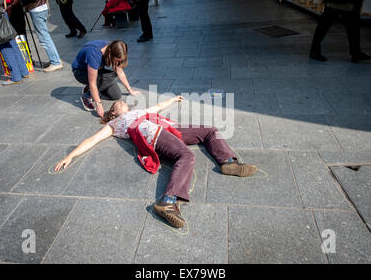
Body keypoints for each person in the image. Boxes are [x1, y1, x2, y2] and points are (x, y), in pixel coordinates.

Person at [54, 97, 258, 228]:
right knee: (186, 156)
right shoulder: (114, 124)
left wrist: (173, 99)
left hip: (169, 128)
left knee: (210, 130)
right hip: (152, 133)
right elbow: (93, 139)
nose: (121, 102)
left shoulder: (139, 111)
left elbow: (159, 106)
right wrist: (71, 155)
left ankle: (228, 162)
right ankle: (167, 202)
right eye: (116, 104)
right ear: (114, 112)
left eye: (122, 101)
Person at [72, 39, 140, 118]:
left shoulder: (114, 48)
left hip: (97, 71)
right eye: (116, 60)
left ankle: (92, 89)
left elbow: (119, 72)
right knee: (110, 76)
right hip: (80, 72)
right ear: (110, 53)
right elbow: (92, 82)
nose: (117, 63)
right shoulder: (94, 54)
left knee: (116, 95)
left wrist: (130, 90)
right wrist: (98, 104)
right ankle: (87, 96)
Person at [15, 0, 63, 72]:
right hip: (37, 7)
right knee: (44, 35)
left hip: (37, 8)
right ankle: (55, 59)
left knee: (43, 36)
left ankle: (56, 62)